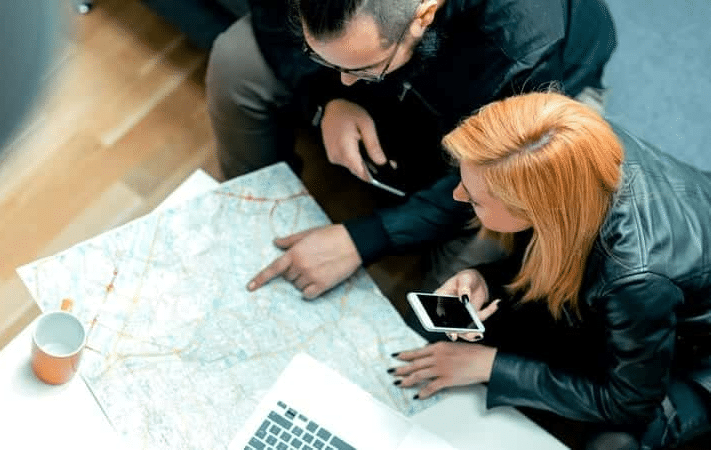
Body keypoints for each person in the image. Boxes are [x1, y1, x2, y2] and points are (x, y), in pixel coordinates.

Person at [206, 0, 618, 298]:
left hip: (534, 94)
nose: (347, 82)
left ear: (424, 13)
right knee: (237, 60)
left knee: (466, 274)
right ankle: (251, 222)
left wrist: (364, 239)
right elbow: (274, 16)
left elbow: (490, 172)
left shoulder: (522, 46)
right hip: (407, 64)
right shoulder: (356, 61)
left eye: (360, 71)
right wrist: (325, 98)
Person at [388, 92, 711, 450]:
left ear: (535, 210)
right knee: (460, 323)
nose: (459, 196)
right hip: (659, 280)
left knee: (615, 444)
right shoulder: (566, 149)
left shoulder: (635, 279)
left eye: (476, 198)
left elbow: (629, 401)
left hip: (696, 351)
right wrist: (484, 278)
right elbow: (548, 249)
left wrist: (491, 367)